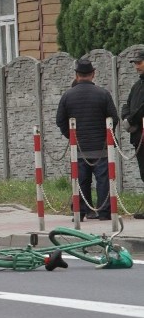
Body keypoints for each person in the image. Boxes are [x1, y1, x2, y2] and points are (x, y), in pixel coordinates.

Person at [56, 59, 119, 221]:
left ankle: (81, 211)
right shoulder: (103, 94)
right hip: (101, 147)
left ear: (76, 75)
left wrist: (71, 137)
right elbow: (114, 118)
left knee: (81, 179)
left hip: (78, 147)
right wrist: (105, 135)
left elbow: (60, 120)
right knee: (103, 180)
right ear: (93, 74)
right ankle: (105, 213)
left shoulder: (67, 96)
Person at [121, 50, 144, 219]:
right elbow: (127, 105)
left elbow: (141, 108)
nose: (137, 67)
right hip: (138, 137)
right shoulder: (137, 86)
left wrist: (131, 119)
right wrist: (126, 118)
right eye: (135, 63)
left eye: (139, 63)